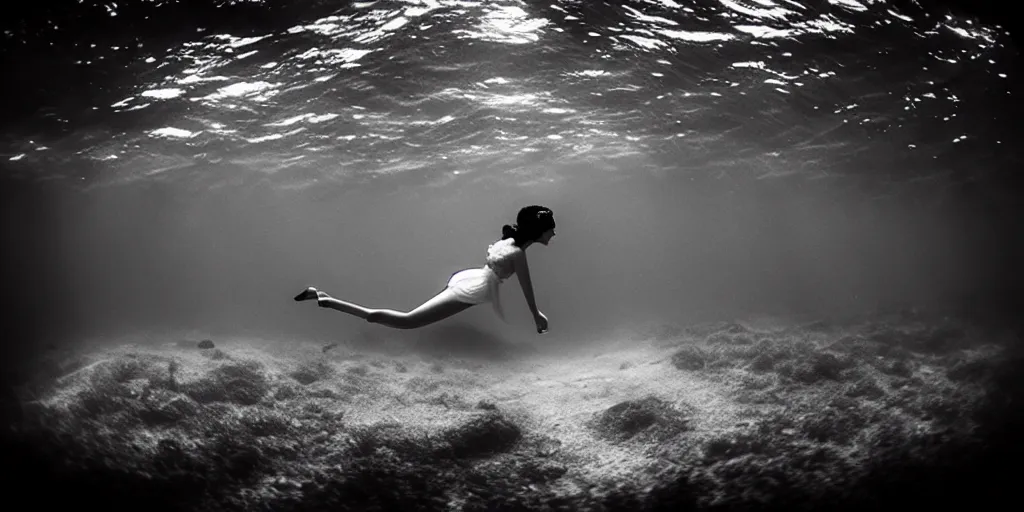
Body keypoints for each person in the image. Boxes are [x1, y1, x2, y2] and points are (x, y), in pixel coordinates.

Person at [294, 205, 556, 333]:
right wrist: (536, 315)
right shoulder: (518, 252)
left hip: (475, 279)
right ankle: (326, 299)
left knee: (410, 320)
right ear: (538, 231)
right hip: (476, 288)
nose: (554, 232)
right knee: (408, 321)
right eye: (551, 228)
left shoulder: (511, 242)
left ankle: (326, 299)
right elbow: (526, 288)